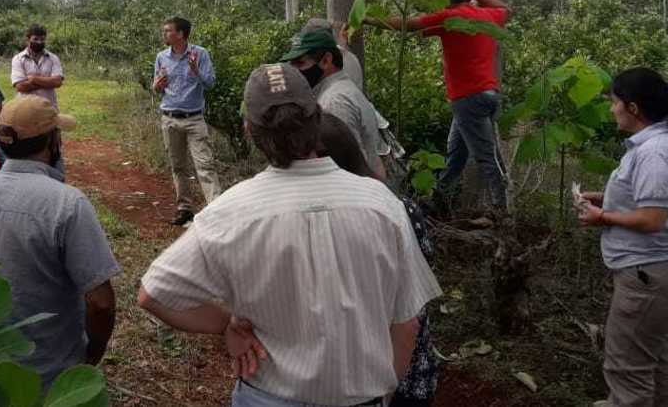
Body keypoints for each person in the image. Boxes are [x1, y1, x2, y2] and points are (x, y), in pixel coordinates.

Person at [139, 63, 441, 407]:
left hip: (267, 396)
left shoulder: (229, 212)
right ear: (318, 118)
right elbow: (407, 323)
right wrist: (382, 393)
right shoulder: (382, 205)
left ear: (249, 130)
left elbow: (153, 295)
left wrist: (226, 324)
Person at [0, 95, 121, 387]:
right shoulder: (67, 203)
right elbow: (101, 303)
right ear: (53, 141)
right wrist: (92, 356)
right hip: (48, 372)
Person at [577, 68, 668, 407]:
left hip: (650, 275)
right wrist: (606, 199)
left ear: (632, 108)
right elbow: (648, 201)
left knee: (626, 367)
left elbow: (652, 218)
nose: (611, 109)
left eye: (614, 102)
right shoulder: (657, 145)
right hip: (659, 272)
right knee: (650, 357)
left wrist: (602, 217)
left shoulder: (654, 153)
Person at [317, 114, 438, 407]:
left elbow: (407, 314)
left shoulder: (374, 212)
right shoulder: (396, 205)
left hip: (384, 373)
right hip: (406, 368)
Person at [366, 0, 510, 209]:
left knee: (486, 158)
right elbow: (507, 10)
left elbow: (408, 24)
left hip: (468, 99)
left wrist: (367, 19)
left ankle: (503, 214)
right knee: (456, 153)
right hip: (488, 95)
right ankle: (438, 202)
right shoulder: (486, 15)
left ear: (445, 1)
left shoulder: (449, 18)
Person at [280, 28, 387, 181]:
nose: (295, 71)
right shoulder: (343, 89)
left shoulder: (334, 103)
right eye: (292, 64)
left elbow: (348, 166)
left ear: (326, 61)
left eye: (300, 63)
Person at [151, 16, 222, 226]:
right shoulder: (161, 57)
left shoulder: (200, 54)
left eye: (168, 31)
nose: (164, 34)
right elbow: (156, 88)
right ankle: (184, 209)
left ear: (180, 34)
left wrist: (196, 71)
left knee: (205, 165)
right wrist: (157, 85)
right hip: (170, 118)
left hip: (194, 119)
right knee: (178, 167)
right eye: (164, 31)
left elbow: (210, 83)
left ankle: (217, 211)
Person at [11, 24, 64, 109]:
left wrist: (33, 79)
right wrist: (47, 82)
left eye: (42, 39)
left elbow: (57, 82)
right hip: (25, 109)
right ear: (28, 40)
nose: (39, 42)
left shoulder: (53, 58)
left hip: (49, 108)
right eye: (35, 39)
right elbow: (20, 86)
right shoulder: (18, 59)